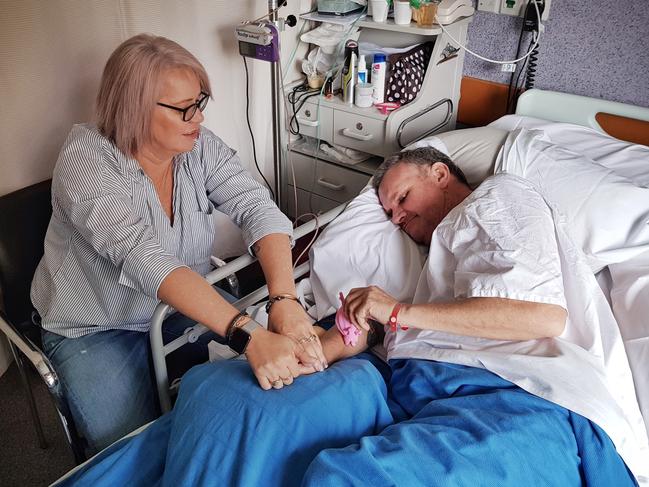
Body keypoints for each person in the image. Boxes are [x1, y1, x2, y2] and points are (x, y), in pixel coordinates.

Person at [54, 145, 642, 486]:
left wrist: (398, 308)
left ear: (440, 172)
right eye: (387, 212)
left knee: (345, 480)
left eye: (403, 199)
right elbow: (376, 332)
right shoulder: (435, 256)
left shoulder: (500, 200)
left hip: (526, 401)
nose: (396, 218)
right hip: (409, 385)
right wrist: (310, 348)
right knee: (221, 394)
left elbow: (540, 320)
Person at [31, 33, 327, 456]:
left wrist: (284, 299)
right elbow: (146, 259)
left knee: (252, 405)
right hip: (98, 327)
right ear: (132, 108)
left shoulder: (197, 148)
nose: (198, 119)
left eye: (200, 102)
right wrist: (247, 334)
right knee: (136, 452)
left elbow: (257, 207)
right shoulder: (86, 160)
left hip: (177, 307)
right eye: (184, 108)